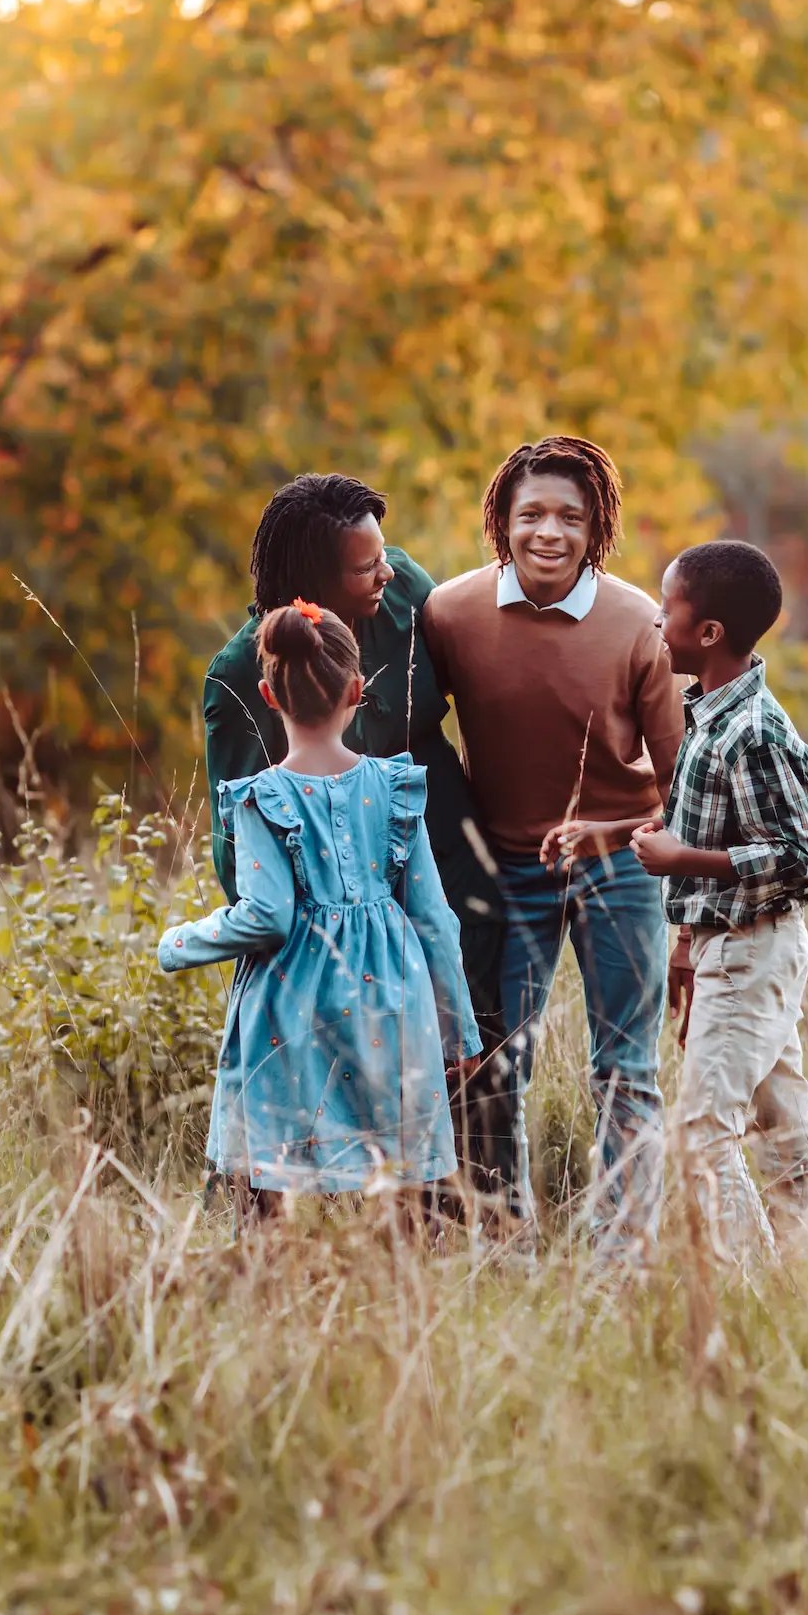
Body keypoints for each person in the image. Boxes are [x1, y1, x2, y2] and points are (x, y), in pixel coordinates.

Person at [203, 472, 511, 1198]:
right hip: (327, 892)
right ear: (314, 580)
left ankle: (474, 1204)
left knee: (469, 1021)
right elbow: (242, 837)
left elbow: (478, 690)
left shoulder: (404, 594)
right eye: (363, 564)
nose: (385, 569)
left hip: (437, 843)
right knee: (327, 1047)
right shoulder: (244, 673)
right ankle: (289, 1202)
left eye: (383, 554)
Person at [423, 436, 687, 1257]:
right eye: (530, 513)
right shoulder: (449, 614)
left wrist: (671, 896)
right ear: (500, 521)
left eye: (570, 518)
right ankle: (505, 1243)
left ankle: (623, 1253)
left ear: (597, 527)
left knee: (624, 1069)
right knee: (497, 1067)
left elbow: (682, 781)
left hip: (621, 866)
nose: (549, 532)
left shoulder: (640, 623)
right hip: (505, 870)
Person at [553, 539, 808, 1262]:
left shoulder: (754, 731)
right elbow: (693, 822)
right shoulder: (706, 713)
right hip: (721, 946)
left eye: (666, 607)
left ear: (706, 633)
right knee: (781, 1131)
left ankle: (747, 1294)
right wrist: (609, 835)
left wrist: (685, 861)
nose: (654, 620)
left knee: (701, 1138)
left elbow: (804, 858)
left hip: (753, 952)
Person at [162, 599, 481, 1203]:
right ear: (357, 690)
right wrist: (458, 1032)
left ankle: (270, 1281)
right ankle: (404, 1286)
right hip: (394, 1001)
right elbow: (436, 920)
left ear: (268, 694)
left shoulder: (261, 798)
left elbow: (266, 915)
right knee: (397, 1167)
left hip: (292, 1006)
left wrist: (179, 943)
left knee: (273, 1169)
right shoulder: (396, 789)